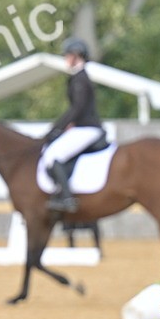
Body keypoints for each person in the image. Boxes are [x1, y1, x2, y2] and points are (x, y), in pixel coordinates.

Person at [41, 38, 103, 213]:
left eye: (67, 55)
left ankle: (68, 198)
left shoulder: (79, 79)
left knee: (52, 156)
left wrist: (57, 127)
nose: (65, 59)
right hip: (82, 126)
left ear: (76, 56)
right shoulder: (79, 77)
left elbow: (77, 107)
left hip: (87, 128)